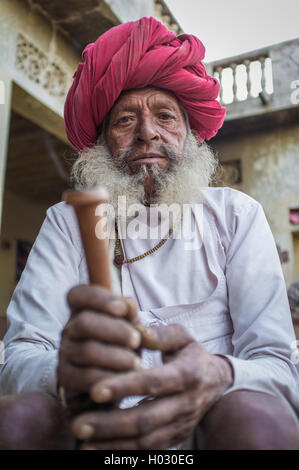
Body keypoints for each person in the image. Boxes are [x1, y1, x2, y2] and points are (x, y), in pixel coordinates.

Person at [0, 17, 298, 450]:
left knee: (258, 418)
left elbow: (277, 364)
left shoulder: (236, 216)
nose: (147, 133)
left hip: (204, 428)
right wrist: (62, 372)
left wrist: (218, 375)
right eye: (125, 120)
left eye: (164, 116)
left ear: (191, 135)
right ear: (102, 142)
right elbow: (18, 357)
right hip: (93, 432)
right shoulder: (67, 223)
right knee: (18, 420)